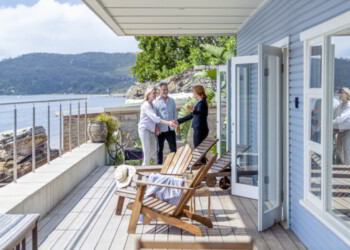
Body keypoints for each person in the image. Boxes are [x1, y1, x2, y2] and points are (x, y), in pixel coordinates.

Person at [138, 87, 176, 166]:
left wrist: (157, 127)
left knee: (152, 149)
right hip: (144, 129)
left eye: (155, 93)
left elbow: (154, 118)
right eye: (153, 93)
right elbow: (155, 118)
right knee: (147, 150)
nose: (155, 95)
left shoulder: (152, 105)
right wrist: (168, 123)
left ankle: (145, 165)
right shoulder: (145, 105)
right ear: (148, 94)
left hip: (150, 130)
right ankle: (144, 167)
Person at [176, 85, 209, 150]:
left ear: (197, 92)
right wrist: (179, 121)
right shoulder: (199, 102)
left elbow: (200, 112)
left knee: (198, 150)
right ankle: (202, 160)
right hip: (199, 129)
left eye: (193, 92)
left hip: (200, 130)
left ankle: (201, 160)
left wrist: (193, 111)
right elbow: (193, 115)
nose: (192, 93)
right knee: (199, 150)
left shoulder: (202, 103)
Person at [153, 82, 177, 164]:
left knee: (173, 149)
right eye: (163, 90)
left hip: (171, 129)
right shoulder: (155, 102)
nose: (165, 91)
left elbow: (175, 115)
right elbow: (154, 117)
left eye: (166, 89)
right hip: (160, 130)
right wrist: (156, 127)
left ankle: (173, 165)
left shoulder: (172, 101)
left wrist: (176, 126)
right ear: (160, 90)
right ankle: (158, 167)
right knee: (159, 150)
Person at [333, 87, 350, 165]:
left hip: (347, 130)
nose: (340, 95)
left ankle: (347, 167)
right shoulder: (340, 105)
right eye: (339, 93)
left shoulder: (349, 105)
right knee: (339, 149)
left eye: (342, 93)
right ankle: (345, 164)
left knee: (346, 149)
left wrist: (330, 122)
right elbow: (335, 114)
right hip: (340, 130)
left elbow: (341, 118)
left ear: (347, 94)